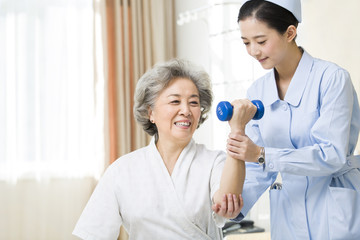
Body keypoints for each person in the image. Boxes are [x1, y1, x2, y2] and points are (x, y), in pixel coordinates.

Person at [214, 0, 360, 239]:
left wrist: (262, 154)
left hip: (335, 209)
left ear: (290, 32)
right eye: (246, 43)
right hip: (288, 213)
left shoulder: (332, 79)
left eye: (261, 41)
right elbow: (259, 170)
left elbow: (332, 155)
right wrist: (235, 206)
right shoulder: (258, 91)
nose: (253, 51)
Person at [72, 59, 255, 239]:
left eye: (193, 102)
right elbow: (91, 232)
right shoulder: (122, 170)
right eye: (175, 101)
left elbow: (227, 205)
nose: (186, 110)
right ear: (150, 112)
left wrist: (237, 129)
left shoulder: (215, 162)